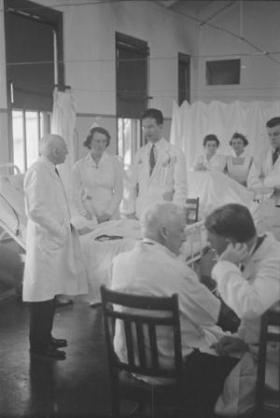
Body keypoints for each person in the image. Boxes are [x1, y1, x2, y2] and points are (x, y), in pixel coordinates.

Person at [111, 202, 238, 418]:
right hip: (170, 367)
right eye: (181, 230)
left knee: (212, 336)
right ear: (164, 232)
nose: (185, 237)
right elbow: (213, 316)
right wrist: (207, 277)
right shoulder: (177, 270)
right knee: (239, 355)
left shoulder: (119, 262)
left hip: (130, 360)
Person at [205, 203, 280, 414]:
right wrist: (241, 338)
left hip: (273, 359)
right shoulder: (256, 252)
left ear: (229, 244)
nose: (212, 250)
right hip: (265, 347)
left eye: (212, 245)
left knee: (224, 408)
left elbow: (250, 307)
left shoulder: (274, 262)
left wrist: (224, 265)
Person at [23, 134, 88, 360]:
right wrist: (60, 230)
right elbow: (36, 210)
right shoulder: (38, 171)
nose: (68, 153)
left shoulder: (49, 169)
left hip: (51, 243)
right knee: (41, 298)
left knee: (49, 296)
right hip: (45, 243)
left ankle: (46, 337)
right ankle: (39, 347)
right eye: (65, 149)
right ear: (54, 151)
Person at [129, 108, 187, 219]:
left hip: (164, 211)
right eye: (144, 127)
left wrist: (176, 212)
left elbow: (181, 188)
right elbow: (132, 186)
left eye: (150, 127)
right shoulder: (140, 153)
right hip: (141, 212)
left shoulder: (175, 152)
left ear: (160, 126)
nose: (147, 131)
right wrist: (131, 210)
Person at [72, 126, 123, 227]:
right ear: (90, 142)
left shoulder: (114, 163)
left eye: (104, 141)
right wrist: (84, 213)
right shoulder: (79, 166)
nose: (101, 145)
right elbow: (75, 193)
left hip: (110, 212)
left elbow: (119, 192)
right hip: (89, 212)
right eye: (97, 141)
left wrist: (108, 213)